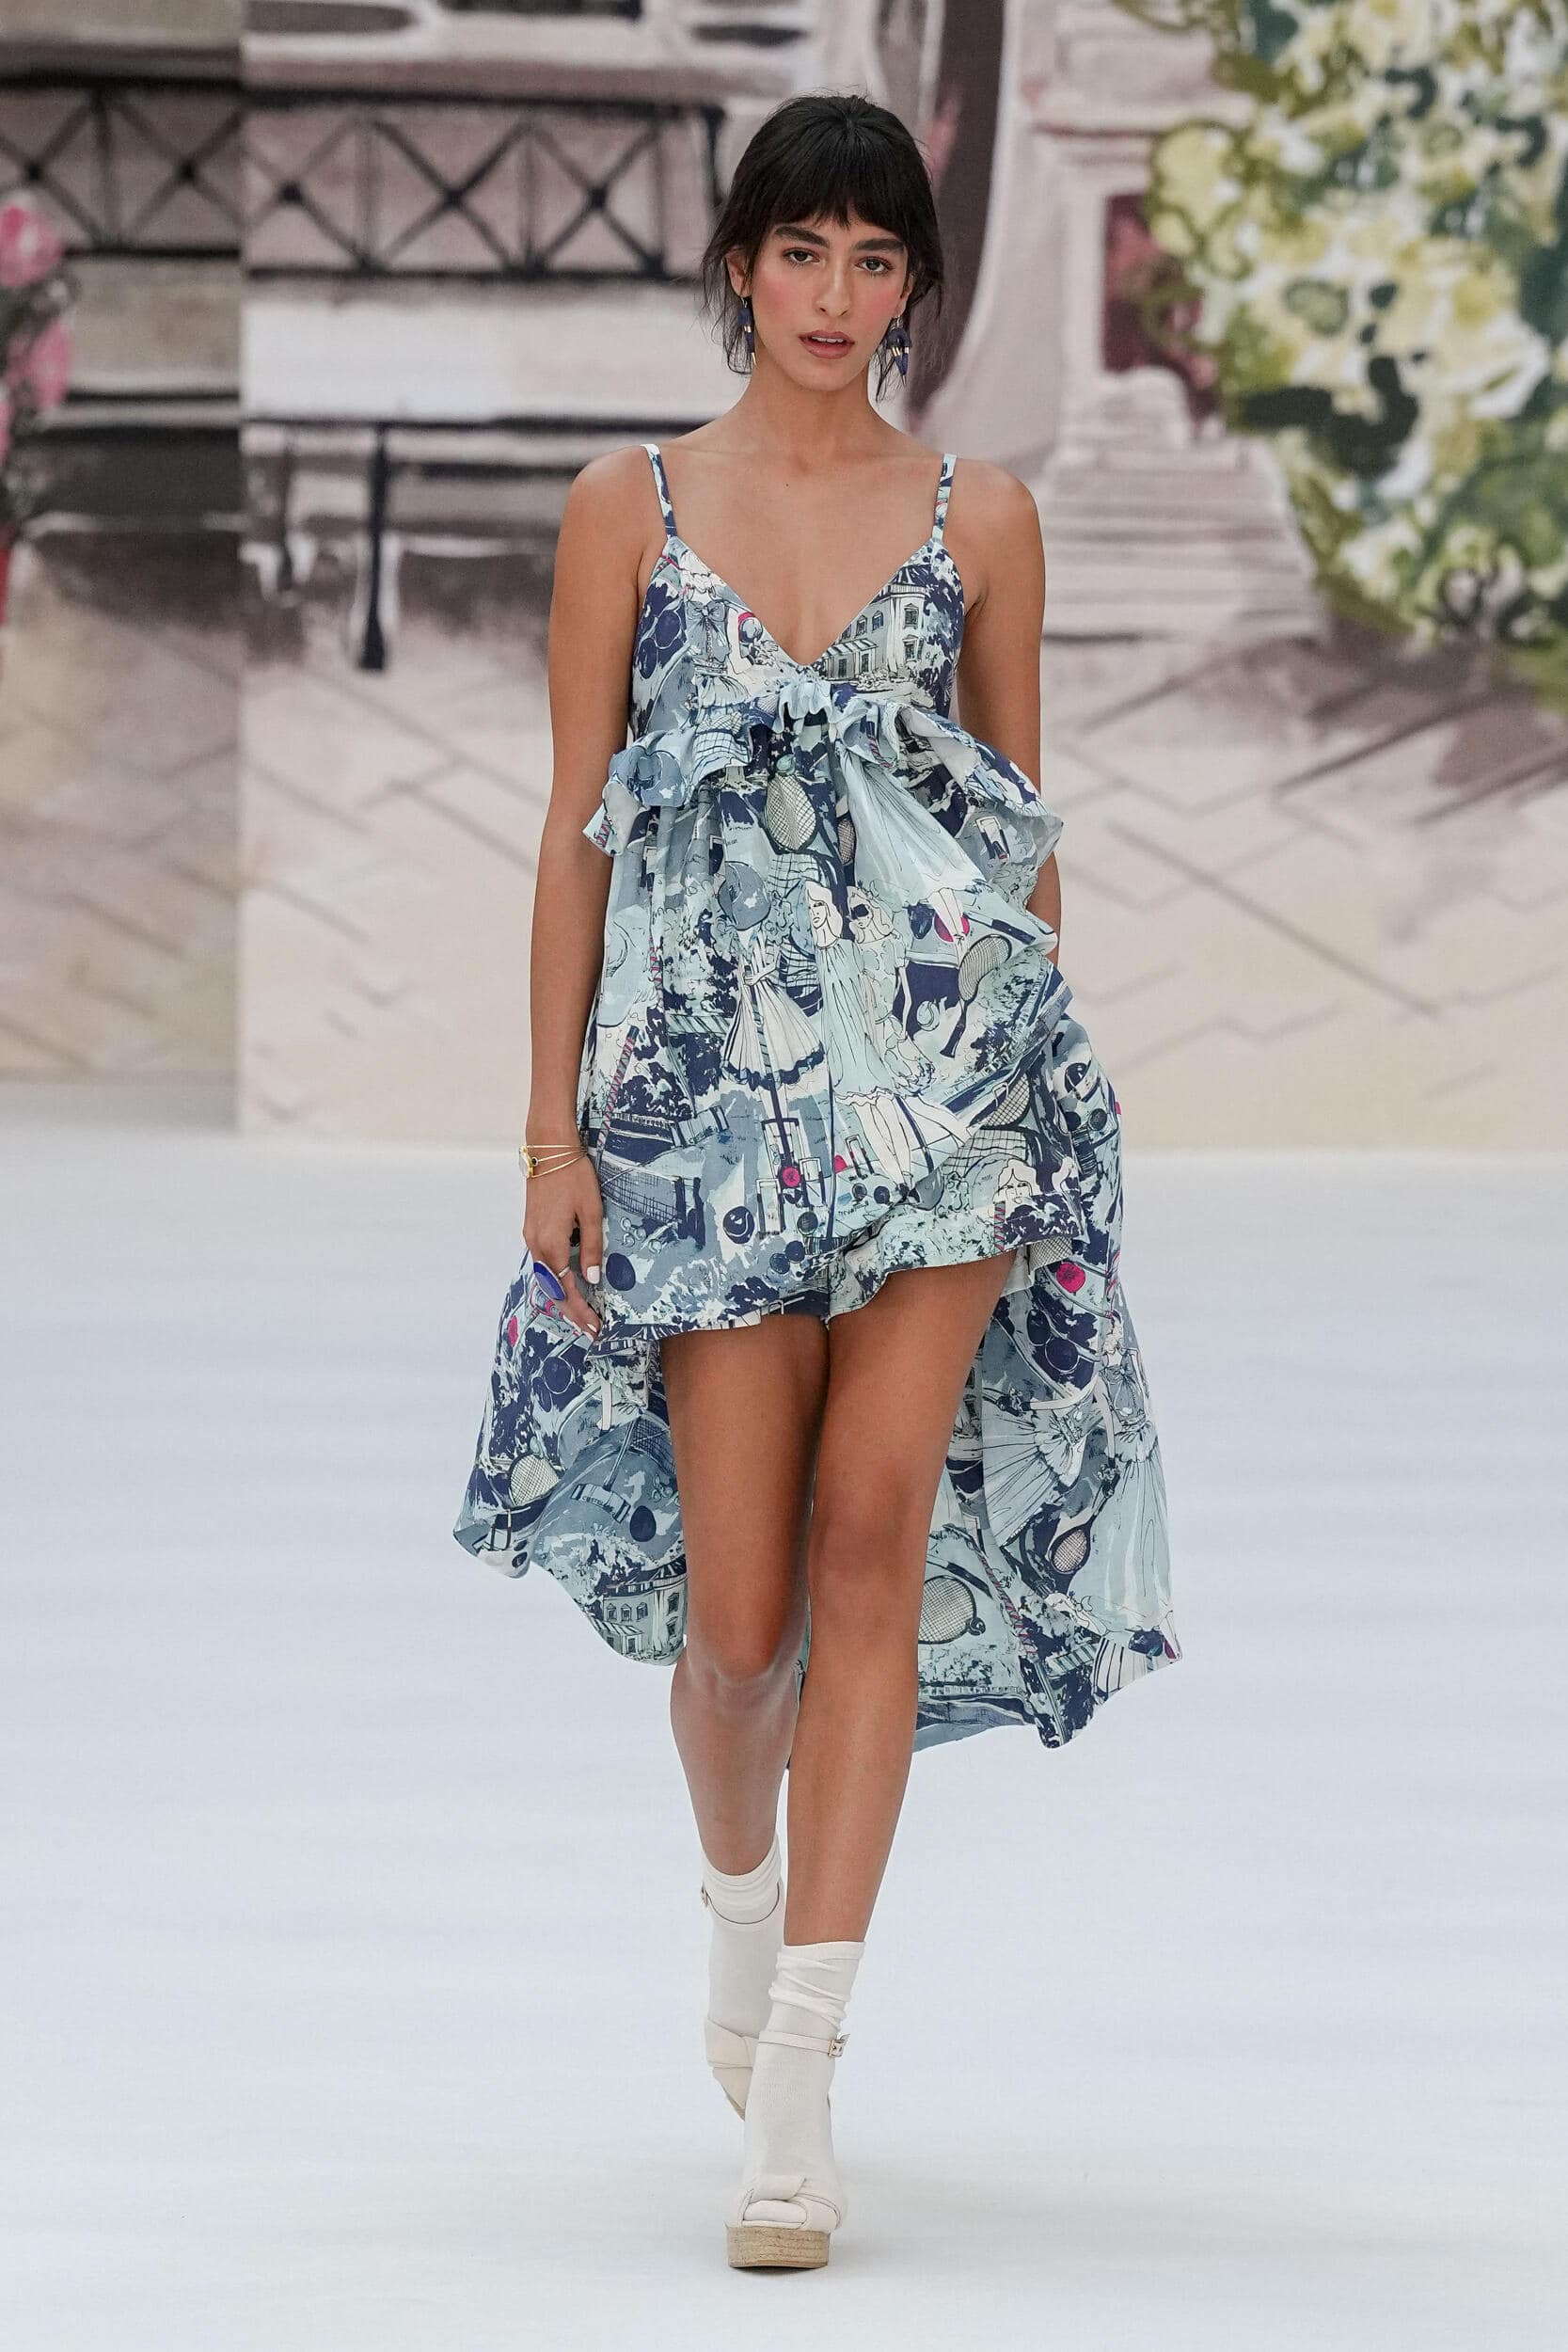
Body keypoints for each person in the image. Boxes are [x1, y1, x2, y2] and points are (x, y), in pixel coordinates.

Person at [453, 89, 1181, 2270]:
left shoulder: (984, 517)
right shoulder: (629, 507)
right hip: (699, 1105)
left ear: (913, 289)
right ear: (742, 265)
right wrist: (551, 1126)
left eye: (876, 260)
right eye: (803, 251)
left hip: (939, 1107)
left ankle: (799, 2080)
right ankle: (738, 1901)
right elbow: (574, 825)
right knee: (743, 1615)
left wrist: (1045, 1118)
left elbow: (1022, 834)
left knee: (873, 1544)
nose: (836, 295)